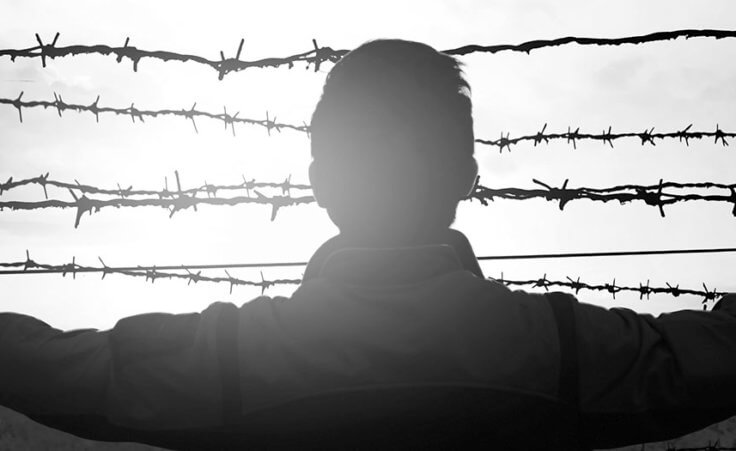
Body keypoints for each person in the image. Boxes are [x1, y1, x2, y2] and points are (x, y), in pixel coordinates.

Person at [1, 39, 735, 451]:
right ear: (469, 176)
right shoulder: (561, 349)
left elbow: (63, 372)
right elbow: (711, 359)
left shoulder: (238, 357)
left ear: (321, 182)